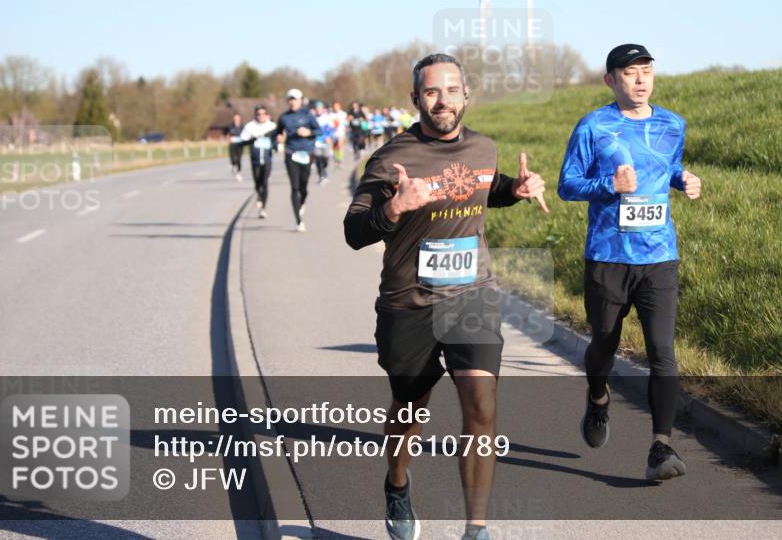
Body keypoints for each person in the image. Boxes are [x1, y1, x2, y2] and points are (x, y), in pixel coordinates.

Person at [344, 53, 547, 540]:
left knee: (481, 408)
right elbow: (353, 231)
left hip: (471, 297)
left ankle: (476, 529)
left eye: (452, 90)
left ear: (465, 95)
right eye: (432, 92)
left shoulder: (483, 148)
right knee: (410, 409)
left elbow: (481, 187)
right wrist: (393, 209)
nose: (443, 101)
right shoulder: (392, 158)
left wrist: (514, 189)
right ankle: (397, 483)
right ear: (416, 98)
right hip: (409, 302)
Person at [557, 44, 702, 480]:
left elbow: (668, 167)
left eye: (646, 71)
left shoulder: (672, 124)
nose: (640, 80)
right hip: (608, 256)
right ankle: (598, 397)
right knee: (604, 343)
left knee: (662, 352)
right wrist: (610, 185)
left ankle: (661, 447)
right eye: (630, 73)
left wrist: (683, 179)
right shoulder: (593, 126)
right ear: (611, 80)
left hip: (659, 255)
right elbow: (568, 184)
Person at [275, 89, 322, 232]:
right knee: (294, 187)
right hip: (291, 153)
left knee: (303, 186)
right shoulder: (283, 117)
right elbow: (278, 132)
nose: (292, 102)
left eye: (295, 99)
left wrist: (309, 132)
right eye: (290, 99)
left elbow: (319, 131)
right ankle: (299, 221)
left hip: (307, 153)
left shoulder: (308, 115)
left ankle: (302, 201)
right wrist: (278, 138)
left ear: (300, 100)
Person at [239, 106, 278, 218]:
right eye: (258, 114)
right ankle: (259, 195)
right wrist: (253, 139)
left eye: (263, 114)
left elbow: (276, 140)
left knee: (264, 182)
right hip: (255, 159)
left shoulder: (272, 126)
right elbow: (242, 141)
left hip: (267, 158)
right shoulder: (250, 126)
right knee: (257, 181)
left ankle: (263, 208)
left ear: (266, 115)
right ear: (255, 115)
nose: (261, 116)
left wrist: (276, 146)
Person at [227, 113, 244, 181]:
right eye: (235, 118)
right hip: (232, 143)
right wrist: (228, 139)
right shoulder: (230, 126)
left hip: (239, 144)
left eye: (237, 118)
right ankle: (233, 165)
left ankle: (239, 172)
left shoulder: (242, 126)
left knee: (238, 158)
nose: (236, 120)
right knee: (233, 157)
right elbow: (228, 134)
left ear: (240, 119)